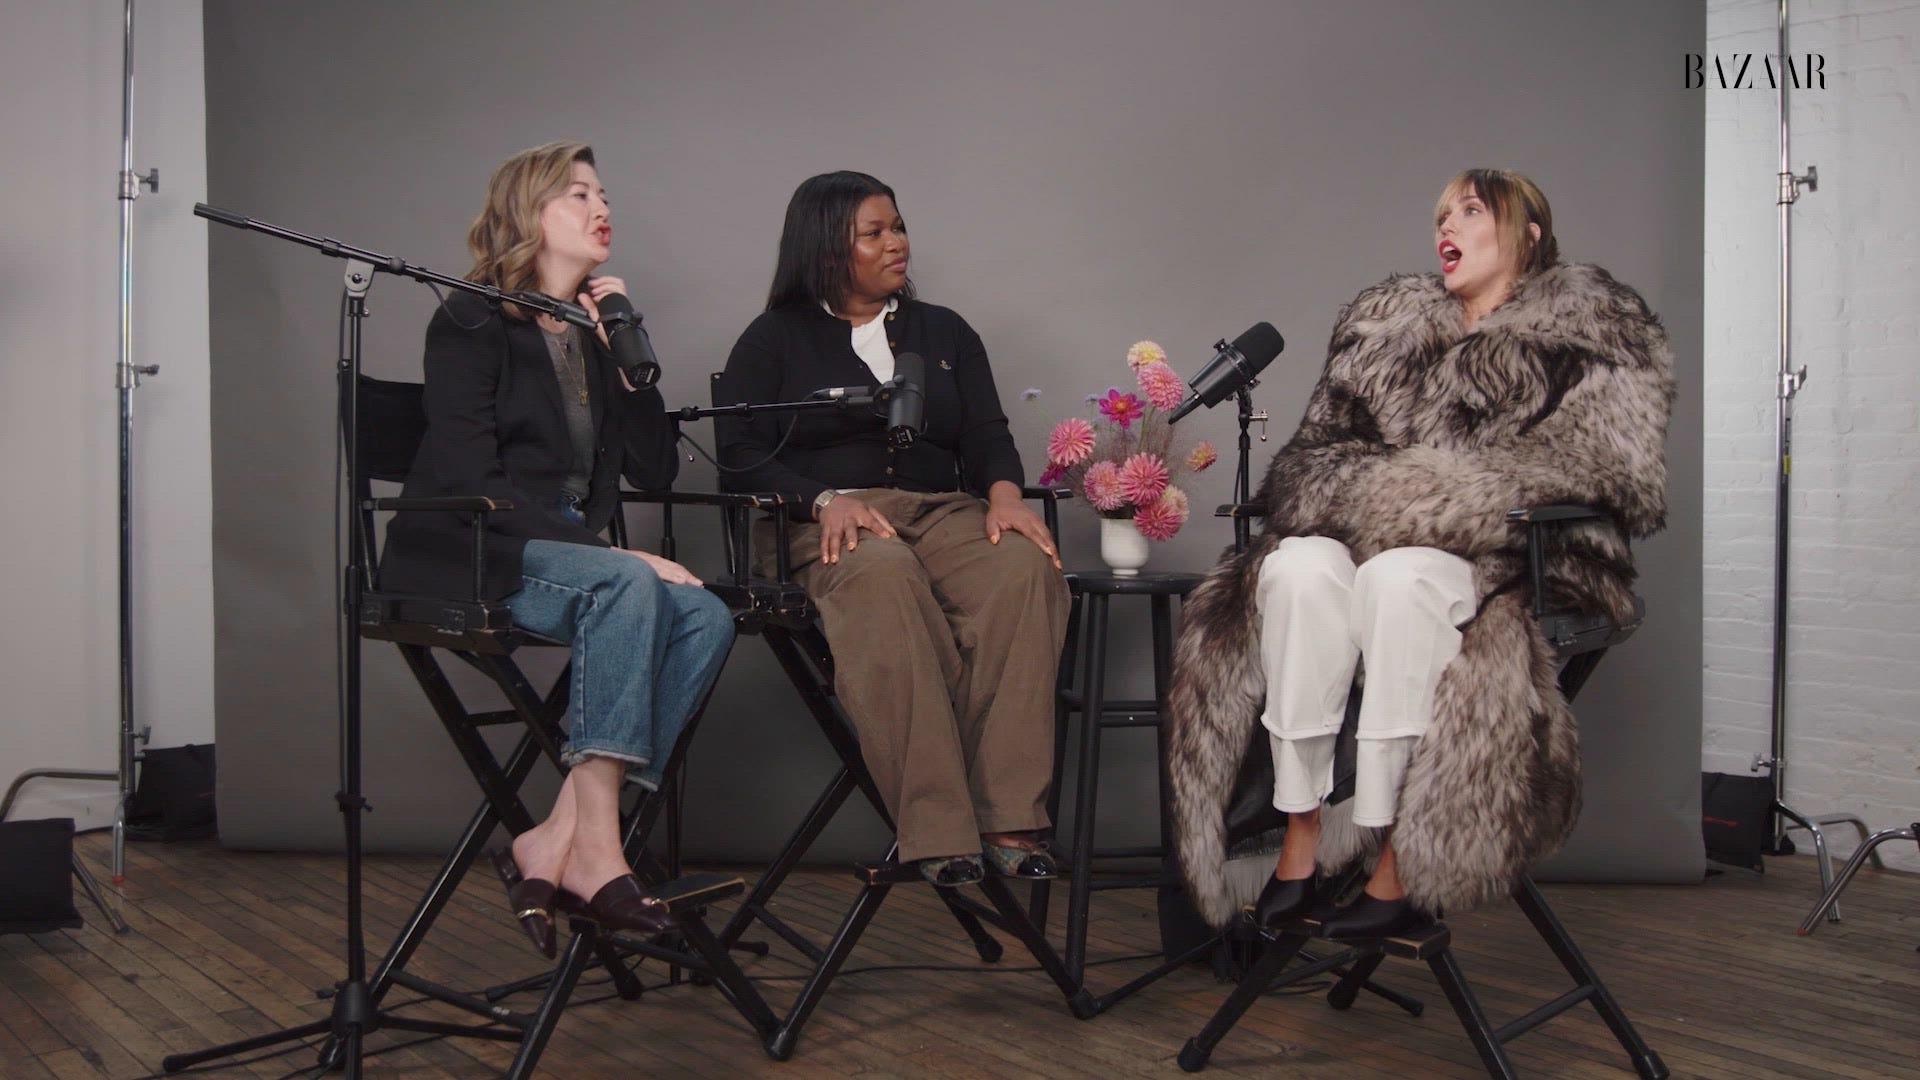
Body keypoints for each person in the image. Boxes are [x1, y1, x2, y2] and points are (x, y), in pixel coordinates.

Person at [1167, 169, 1675, 938]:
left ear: (1528, 233)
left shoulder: (1595, 331)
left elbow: (1597, 471)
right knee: (1298, 571)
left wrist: (1404, 500)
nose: (1449, 225)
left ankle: (1396, 851)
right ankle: (1299, 830)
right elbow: (1313, 462)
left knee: (1402, 576)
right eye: (1443, 213)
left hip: (1505, 564)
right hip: (1364, 554)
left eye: (1472, 211)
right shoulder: (1388, 327)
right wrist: (1399, 500)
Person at [379, 142, 734, 957]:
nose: (600, 206)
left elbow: (651, 468)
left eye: (604, 193)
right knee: (629, 587)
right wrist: (623, 559)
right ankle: (601, 855)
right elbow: (474, 475)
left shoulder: (590, 329)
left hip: (566, 556)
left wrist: (627, 364)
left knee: (706, 617)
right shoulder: (470, 318)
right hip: (473, 548)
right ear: (527, 212)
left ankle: (553, 841)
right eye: (578, 193)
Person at [716, 171, 1069, 886]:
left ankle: (1009, 817)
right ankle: (939, 827)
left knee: (1025, 570)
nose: (897, 244)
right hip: (825, 518)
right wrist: (821, 500)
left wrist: (1003, 496)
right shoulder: (773, 338)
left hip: (941, 510)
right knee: (883, 571)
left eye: (898, 226)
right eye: (873, 233)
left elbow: (987, 433)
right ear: (824, 248)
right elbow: (740, 456)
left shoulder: (944, 331)